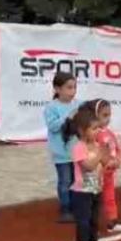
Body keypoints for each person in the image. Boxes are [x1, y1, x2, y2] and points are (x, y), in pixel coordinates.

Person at [62, 107, 110, 241]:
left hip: (96, 187)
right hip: (81, 191)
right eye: (93, 128)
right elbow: (88, 166)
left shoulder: (96, 145)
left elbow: (105, 162)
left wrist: (106, 153)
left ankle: (93, 240)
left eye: (98, 128)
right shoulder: (79, 148)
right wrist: (100, 154)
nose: (97, 131)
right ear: (82, 131)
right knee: (84, 219)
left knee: (94, 217)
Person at [87, 99, 121, 233]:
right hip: (95, 174)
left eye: (109, 115)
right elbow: (93, 152)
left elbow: (117, 148)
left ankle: (112, 221)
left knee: (110, 196)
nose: (108, 119)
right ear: (95, 115)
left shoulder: (109, 133)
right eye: (104, 115)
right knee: (91, 200)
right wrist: (105, 162)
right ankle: (89, 228)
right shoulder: (92, 134)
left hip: (108, 173)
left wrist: (117, 160)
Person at [43, 71, 81, 223]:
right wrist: (68, 117)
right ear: (57, 89)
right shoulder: (51, 107)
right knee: (65, 181)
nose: (72, 91)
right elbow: (52, 127)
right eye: (69, 88)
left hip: (77, 152)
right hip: (61, 154)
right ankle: (65, 208)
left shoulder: (79, 104)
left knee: (76, 180)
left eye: (74, 87)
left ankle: (75, 205)